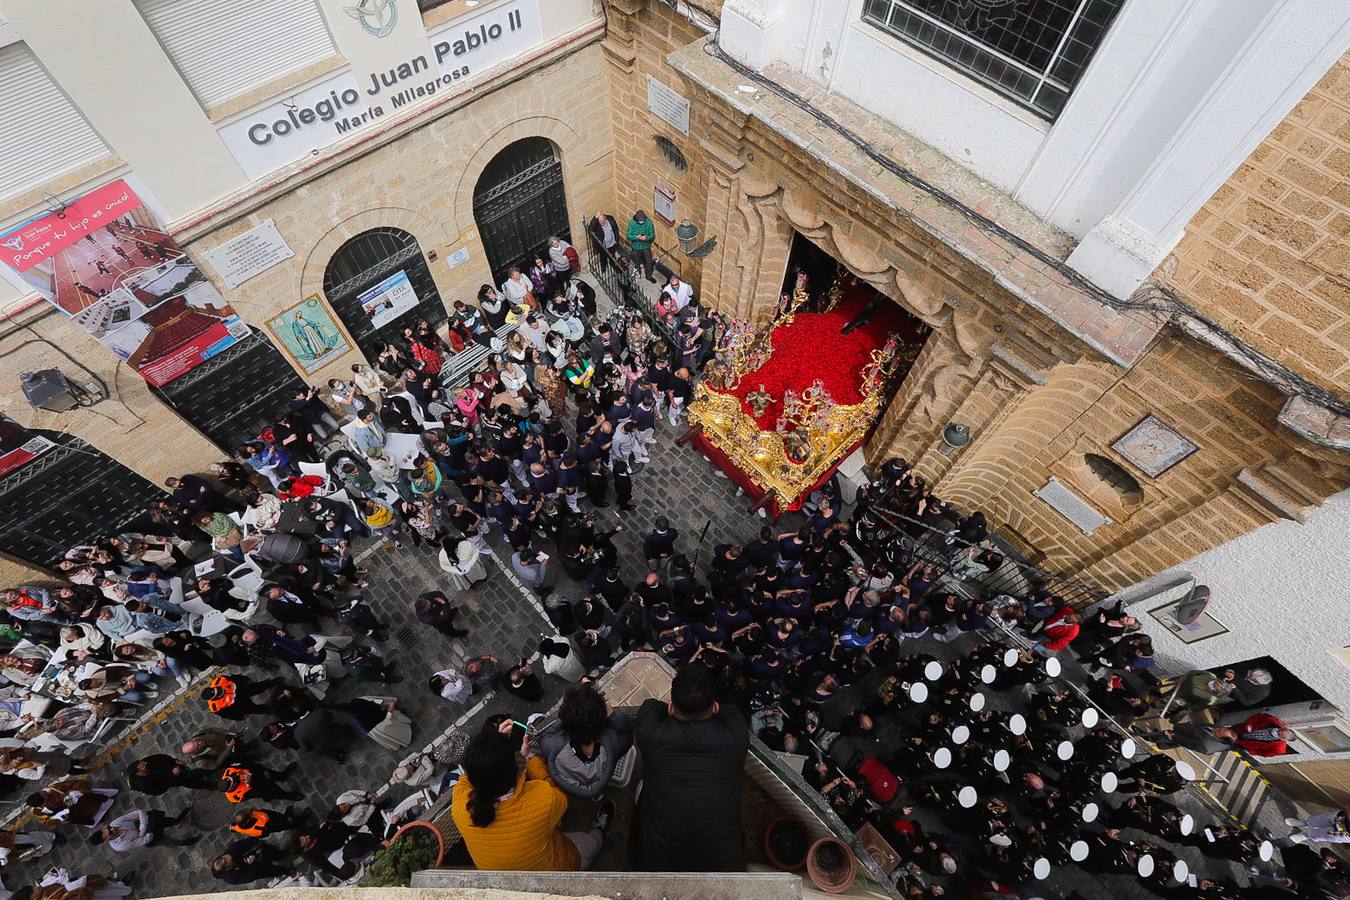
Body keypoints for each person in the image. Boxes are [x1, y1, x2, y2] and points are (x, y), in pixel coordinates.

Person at [451, 719, 615, 871]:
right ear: (513, 769)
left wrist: (491, 749)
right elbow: (559, 797)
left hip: (513, 880)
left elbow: (472, 774)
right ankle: (599, 832)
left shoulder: (459, 804)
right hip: (552, 868)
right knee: (588, 848)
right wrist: (530, 757)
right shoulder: (543, 799)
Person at [630, 665, 749, 871]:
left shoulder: (650, 733)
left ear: (671, 708)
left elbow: (650, 706)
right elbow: (729, 711)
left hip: (654, 856)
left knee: (644, 792)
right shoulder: (735, 736)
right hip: (723, 858)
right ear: (714, 707)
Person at [539, 683, 634, 800]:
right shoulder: (614, 741)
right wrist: (612, 715)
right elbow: (627, 737)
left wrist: (572, 714)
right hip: (605, 770)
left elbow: (545, 734)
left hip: (582, 783)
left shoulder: (552, 745)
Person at [91, 807, 199, 851]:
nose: (112, 829)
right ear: (107, 840)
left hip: (149, 824)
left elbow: (139, 812)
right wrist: (143, 825)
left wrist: (141, 829)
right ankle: (188, 841)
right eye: (110, 833)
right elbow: (146, 839)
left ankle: (181, 817)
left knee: (172, 821)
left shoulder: (116, 823)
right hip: (152, 835)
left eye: (108, 828)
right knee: (172, 842)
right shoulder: (120, 846)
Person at [1285, 807, 1350, 844]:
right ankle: (1305, 823)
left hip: (1347, 834)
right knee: (1320, 820)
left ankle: (1306, 835)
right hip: (1343, 817)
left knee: (1324, 835)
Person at [627, 210, 656, 282]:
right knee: (636, 262)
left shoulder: (649, 223)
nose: (641, 222)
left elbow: (652, 235)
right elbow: (628, 235)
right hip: (635, 246)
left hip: (646, 246)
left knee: (648, 261)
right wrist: (636, 237)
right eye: (640, 221)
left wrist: (647, 238)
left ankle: (649, 276)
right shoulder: (632, 223)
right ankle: (638, 274)